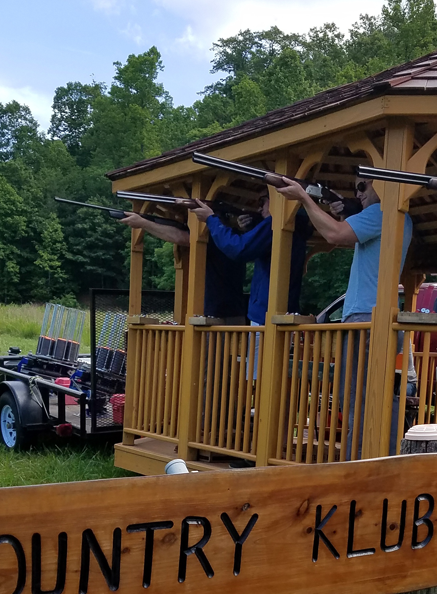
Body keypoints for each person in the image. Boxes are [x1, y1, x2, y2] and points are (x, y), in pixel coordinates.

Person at [275, 177, 414, 459]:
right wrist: (341, 207)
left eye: (363, 186)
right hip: (378, 319)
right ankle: (384, 461)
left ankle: (355, 466)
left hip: (365, 319)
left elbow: (336, 235)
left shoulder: (381, 213)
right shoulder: (399, 217)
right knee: (380, 401)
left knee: (354, 402)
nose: (358, 192)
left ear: (383, 185)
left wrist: (305, 198)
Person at [190, 196, 312, 376]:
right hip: (281, 314)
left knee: (257, 379)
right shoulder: (297, 227)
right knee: (274, 377)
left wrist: (211, 219)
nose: (259, 205)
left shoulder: (276, 224)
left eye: (265, 199)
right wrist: (253, 226)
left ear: (281, 200)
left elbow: (238, 248)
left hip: (264, 316)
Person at [118, 207, 246, 321]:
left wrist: (143, 223)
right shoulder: (234, 239)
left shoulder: (218, 238)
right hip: (231, 313)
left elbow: (181, 237)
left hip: (218, 316)